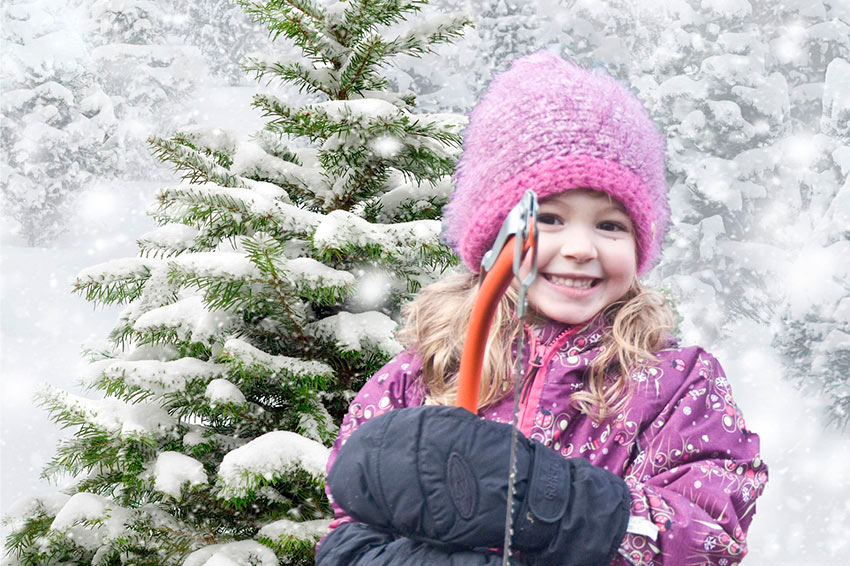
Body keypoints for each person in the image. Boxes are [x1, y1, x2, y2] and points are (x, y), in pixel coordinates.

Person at [315, 50, 768, 566]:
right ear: (495, 237)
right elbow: (354, 519)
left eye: (610, 225)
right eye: (549, 218)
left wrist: (552, 499)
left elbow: (710, 537)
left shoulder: (675, 384)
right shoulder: (419, 374)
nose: (580, 247)